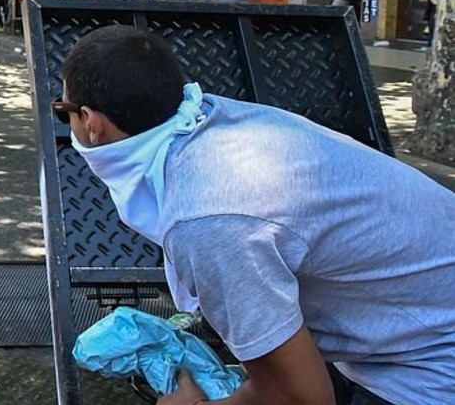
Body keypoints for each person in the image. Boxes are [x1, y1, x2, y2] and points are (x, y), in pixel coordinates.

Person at [56, 25, 455, 405]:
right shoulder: (216, 117)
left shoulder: (205, 219)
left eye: (64, 111)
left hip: (432, 369)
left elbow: (302, 399)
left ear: (92, 123)